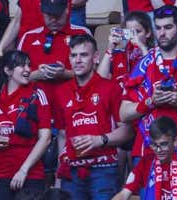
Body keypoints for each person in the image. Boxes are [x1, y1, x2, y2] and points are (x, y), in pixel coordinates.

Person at [120, 5, 177, 160]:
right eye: (158, 28)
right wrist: (151, 101)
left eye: (168, 27)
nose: (162, 33)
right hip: (147, 150)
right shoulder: (142, 65)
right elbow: (124, 114)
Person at [53, 35, 130, 200]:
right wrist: (59, 176)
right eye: (74, 55)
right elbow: (61, 136)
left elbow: (127, 131)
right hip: (71, 172)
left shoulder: (110, 88)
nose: (78, 60)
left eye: (84, 55)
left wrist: (100, 140)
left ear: (95, 58)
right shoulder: (61, 92)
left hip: (104, 170)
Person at [0, 50, 52, 199]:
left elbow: (45, 138)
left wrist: (23, 170)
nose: (28, 69)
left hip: (30, 175)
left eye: (28, 65)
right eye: (21, 65)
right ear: (7, 70)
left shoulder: (37, 94)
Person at [114, 116, 177, 200]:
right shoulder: (145, 162)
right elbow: (124, 194)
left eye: (163, 144)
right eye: (154, 145)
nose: (158, 150)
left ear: (175, 141)